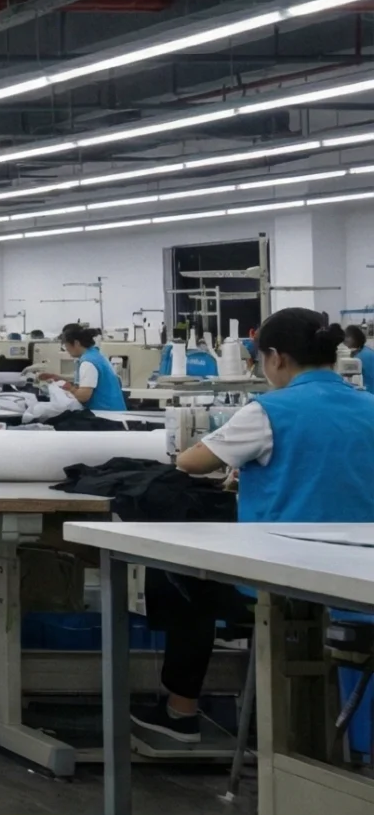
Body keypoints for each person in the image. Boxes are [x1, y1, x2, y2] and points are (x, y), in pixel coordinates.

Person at [134, 307, 374, 742]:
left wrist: (238, 463)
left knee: (180, 576)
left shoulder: (268, 410)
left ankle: (180, 710)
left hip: (283, 576)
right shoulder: (370, 406)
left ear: (276, 358)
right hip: (359, 575)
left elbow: (190, 461)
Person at [45, 323, 127, 412]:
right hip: (114, 411)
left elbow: (83, 397)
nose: (67, 349)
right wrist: (59, 378)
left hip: (105, 415)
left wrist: (69, 388)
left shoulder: (88, 363)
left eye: (66, 345)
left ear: (76, 343)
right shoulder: (96, 355)